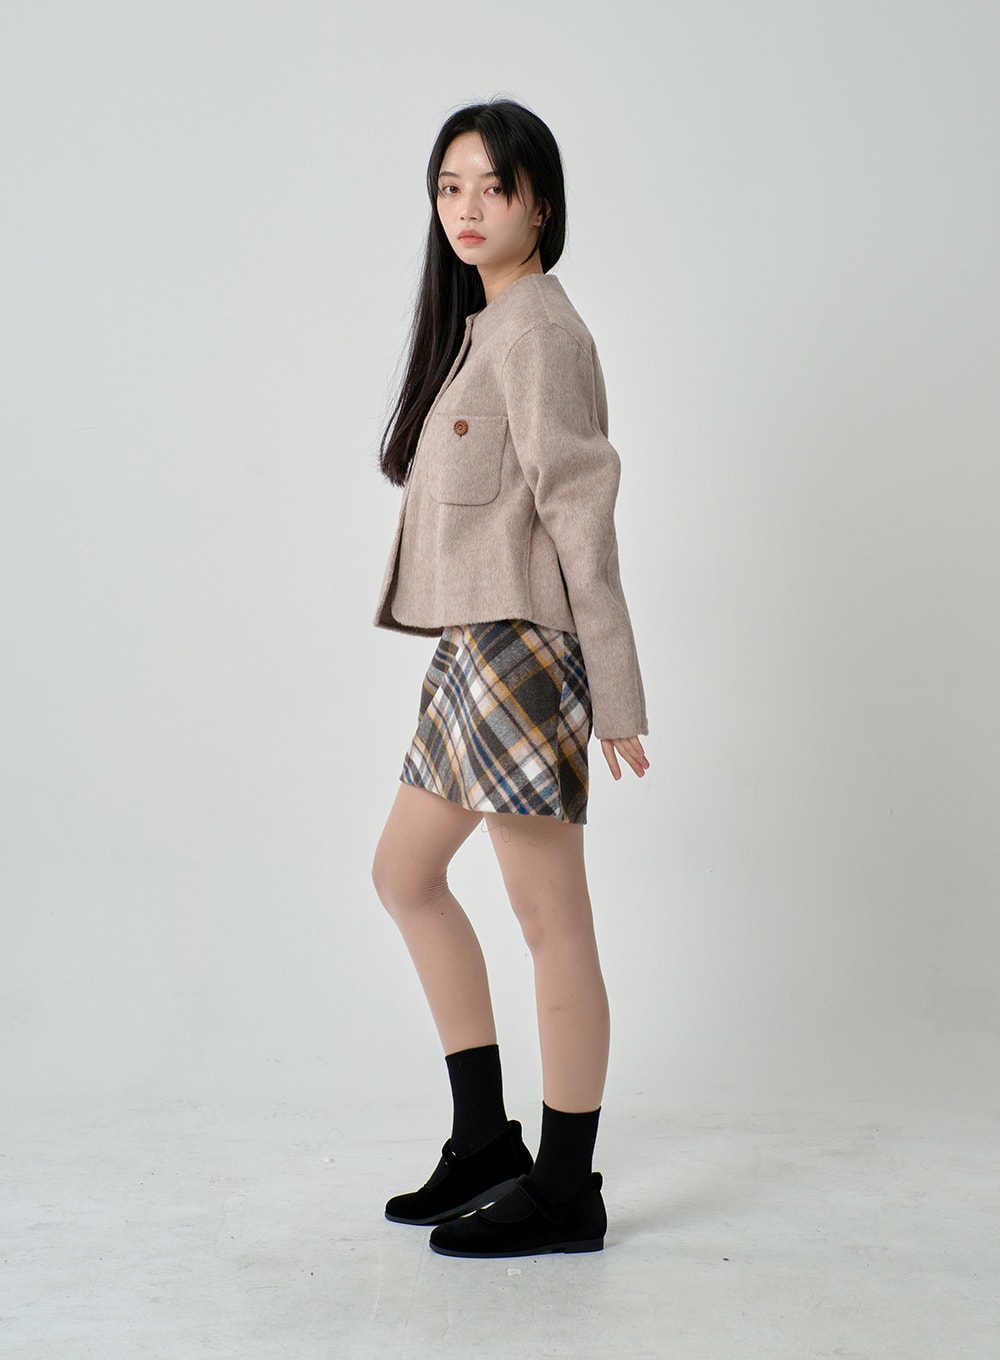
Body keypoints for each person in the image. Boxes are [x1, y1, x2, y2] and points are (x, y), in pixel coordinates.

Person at [370, 98, 649, 1259]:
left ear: (542, 203)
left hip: (526, 650)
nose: (468, 208)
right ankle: (486, 1140)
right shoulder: (483, 328)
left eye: (493, 186)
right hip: (471, 650)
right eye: (450, 187)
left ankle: (567, 1188)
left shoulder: (539, 335)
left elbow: (582, 511)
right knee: (403, 874)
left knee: (549, 917)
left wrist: (614, 691)